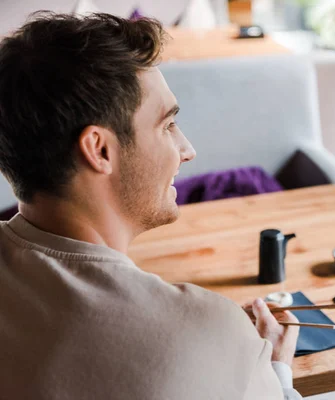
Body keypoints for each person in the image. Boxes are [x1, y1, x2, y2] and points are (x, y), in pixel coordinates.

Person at [0, 12, 301, 399]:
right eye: (167, 125)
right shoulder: (210, 330)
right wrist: (273, 371)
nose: (187, 150)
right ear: (100, 150)